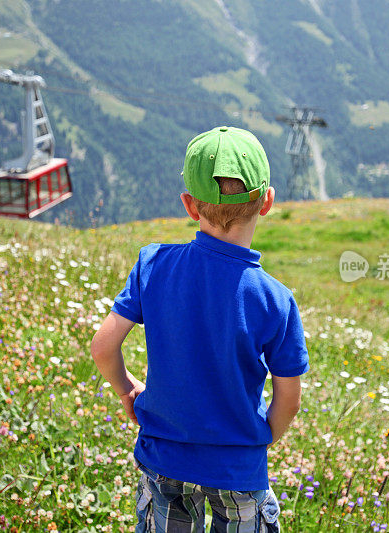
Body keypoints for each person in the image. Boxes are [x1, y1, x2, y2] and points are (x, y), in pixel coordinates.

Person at [90, 126, 309, 532]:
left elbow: (103, 346)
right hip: (238, 469)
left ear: (190, 205)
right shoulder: (276, 299)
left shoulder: (154, 265)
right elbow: (289, 399)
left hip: (163, 460)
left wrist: (127, 390)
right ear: (267, 201)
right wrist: (258, 441)